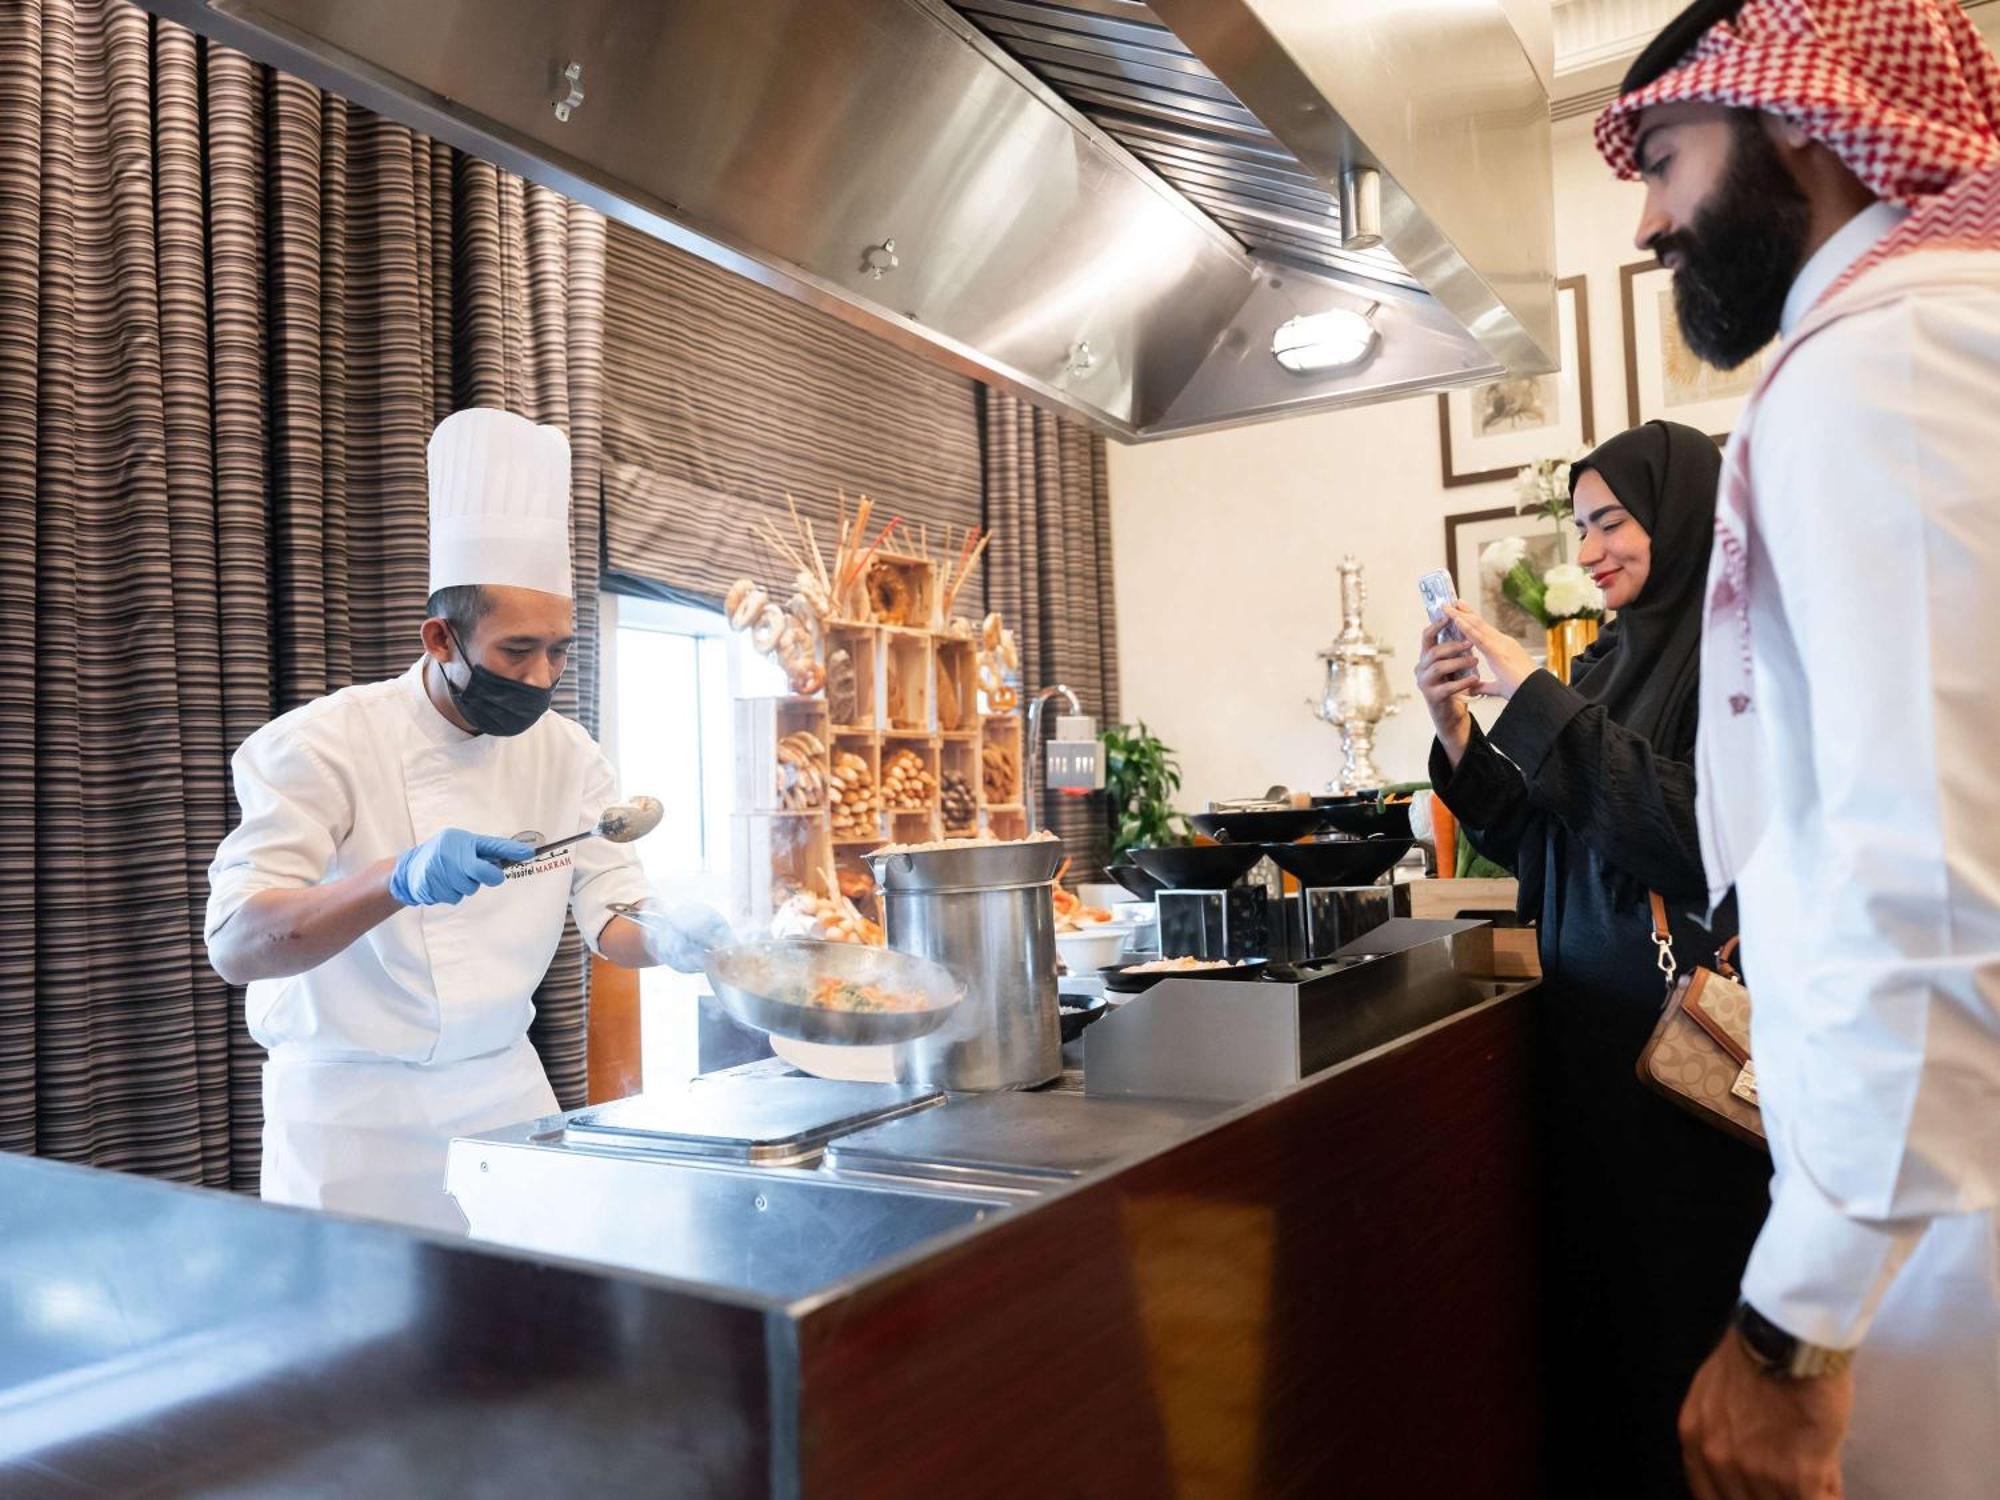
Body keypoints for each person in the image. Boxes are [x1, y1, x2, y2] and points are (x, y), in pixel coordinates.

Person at [1594, 2, 2000, 1495]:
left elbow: (1940, 887)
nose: (1647, 222)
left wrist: (1792, 1334)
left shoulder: (1883, 366)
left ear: (1802, 122)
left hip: (1949, 1232)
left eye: (1670, 159)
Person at [206, 407, 731, 1235]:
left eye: (558, 650)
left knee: (535, 1334)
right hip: (350, 1118)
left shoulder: (566, 754)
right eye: (516, 652)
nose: (541, 676)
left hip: (503, 1092)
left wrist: (675, 936)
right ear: (440, 638)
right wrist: (397, 877)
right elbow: (237, 945)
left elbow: (612, 912)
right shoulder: (321, 744)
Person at [1417, 420, 1771, 1499]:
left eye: (1609, 521)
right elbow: (1544, 839)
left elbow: (1692, 835)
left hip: (1685, 1068)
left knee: (1680, 1325)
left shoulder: (1737, 655)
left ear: (1678, 514)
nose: (1589, 551)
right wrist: (1456, 733)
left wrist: (1529, 689)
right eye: (1577, 528)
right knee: (1605, 1330)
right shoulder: (1612, 660)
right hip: (1592, 1044)